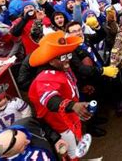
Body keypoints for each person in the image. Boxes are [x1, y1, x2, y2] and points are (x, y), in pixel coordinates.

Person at [28, 31, 95, 159]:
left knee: (77, 143)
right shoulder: (44, 77)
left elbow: (68, 85)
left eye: (68, 55)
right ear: (51, 61)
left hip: (70, 117)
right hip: (61, 124)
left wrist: (80, 89)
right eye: (62, 57)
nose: (68, 59)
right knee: (71, 153)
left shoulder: (62, 67)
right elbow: (50, 100)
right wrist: (73, 105)